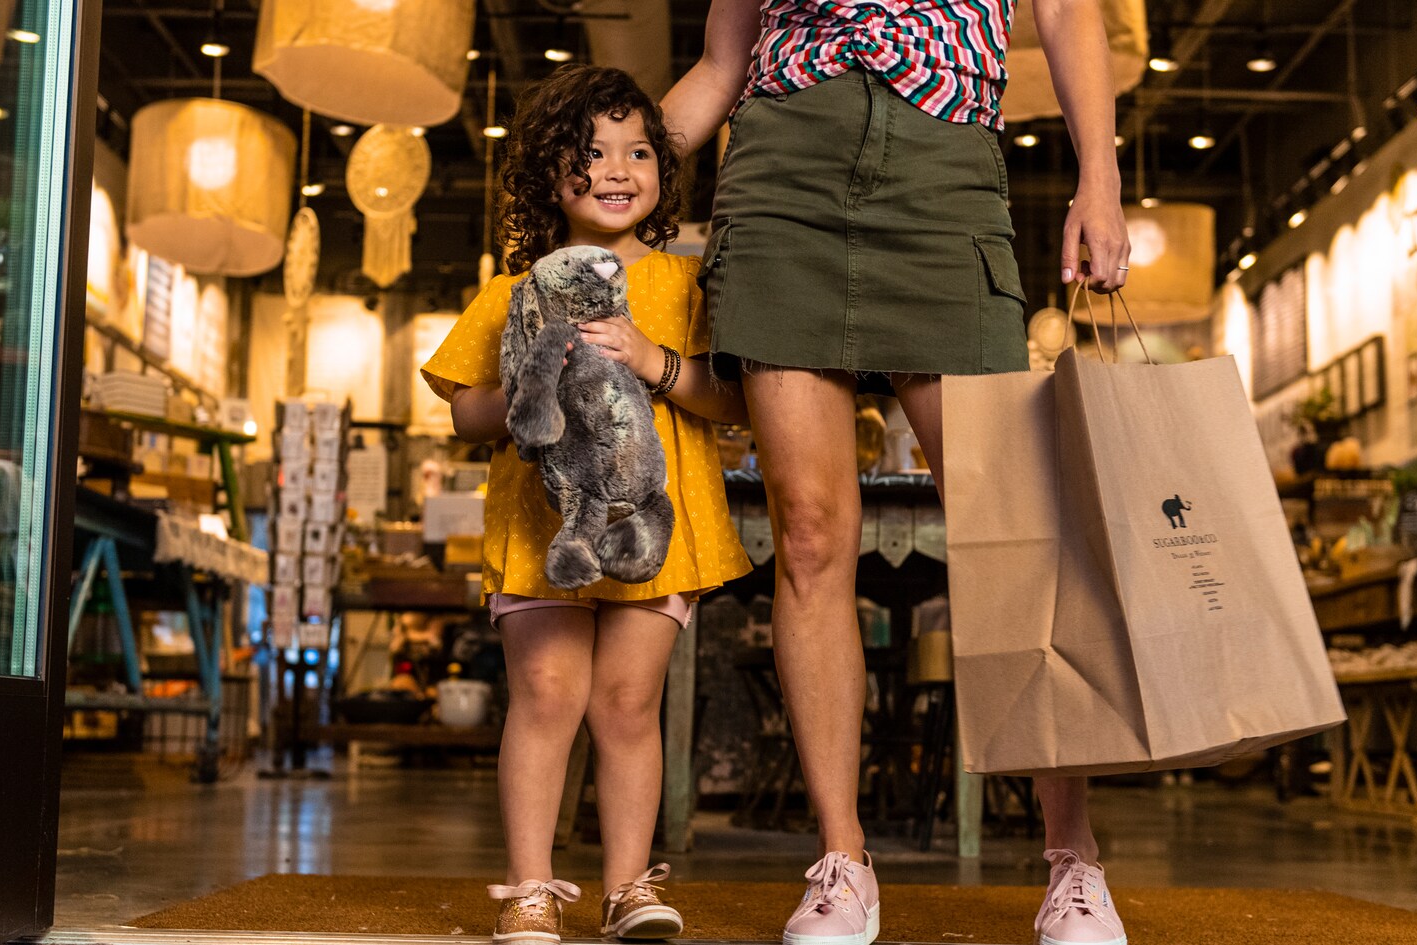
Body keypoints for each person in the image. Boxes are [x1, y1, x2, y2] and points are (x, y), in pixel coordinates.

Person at [661, 3, 1132, 945]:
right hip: (783, 172)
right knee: (809, 530)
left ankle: (1074, 858)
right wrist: (603, 160)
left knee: (1020, 532)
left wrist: (1101, 173)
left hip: (943, 168)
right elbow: (722, 60)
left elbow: (1067, 8)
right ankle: (843, 861)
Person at [421, 65, 754, 945]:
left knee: (626, 702)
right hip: (544, 527)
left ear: (662, 171)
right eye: (591, 152)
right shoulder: (513, 288)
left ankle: (627, 887)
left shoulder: (690, 285)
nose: (617, 168)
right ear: (548, 176)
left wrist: (652, 360)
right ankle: (530, 889)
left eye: (637, 150)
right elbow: (464, 414)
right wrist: (535, 381)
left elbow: (735, 401)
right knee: (544, 691)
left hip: (659, 526)